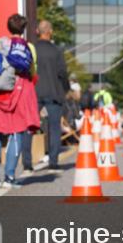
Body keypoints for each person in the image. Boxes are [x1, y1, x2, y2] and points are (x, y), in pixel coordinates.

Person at [0, 14, 40, 189]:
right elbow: (33, 72)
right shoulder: (30, 48)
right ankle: (10, 176)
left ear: (8, 27)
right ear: (24, 29)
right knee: (16, 132)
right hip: (20, 92)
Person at [31, 20, 69, 172]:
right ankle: (53, 161)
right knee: (54, 128)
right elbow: (62, 73)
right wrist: (65, 89)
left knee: (30, 127)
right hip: (54, 93)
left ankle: (27, 162)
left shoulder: (32, 50)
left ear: (36, 31)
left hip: (34, 93)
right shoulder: (57, 51)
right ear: (50, 31)